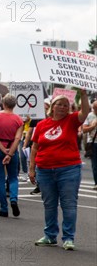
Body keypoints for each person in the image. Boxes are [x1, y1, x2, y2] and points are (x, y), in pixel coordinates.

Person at [30, 91, 90, 250]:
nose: (63, 107)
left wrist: (83, 95)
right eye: (59, 104)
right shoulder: (42, 124)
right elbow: (34, 147)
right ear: (52, 107)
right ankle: (50, 236)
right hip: (44, 170)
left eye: (66, 105)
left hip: (68, 170)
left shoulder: (71, 121)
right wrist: (31, 169)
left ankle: (68, 238)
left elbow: (85, 112)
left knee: (69, 205)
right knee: (49, 205)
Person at [0, 94, 24, 218]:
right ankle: (13, 198)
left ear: (3, 103)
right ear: (15, 105)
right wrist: (9, 153)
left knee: (0, 178)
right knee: (13, 177)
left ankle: (3, 208)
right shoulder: (19, 120)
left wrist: (3, 149)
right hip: (12, 149)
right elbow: (18, 138)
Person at [82, 100, 97, 189]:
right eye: (94, 108)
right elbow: (84, 129)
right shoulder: (90, 116)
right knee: (95, 165)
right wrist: (93, 126)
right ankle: (96, 182)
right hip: (93, 143)